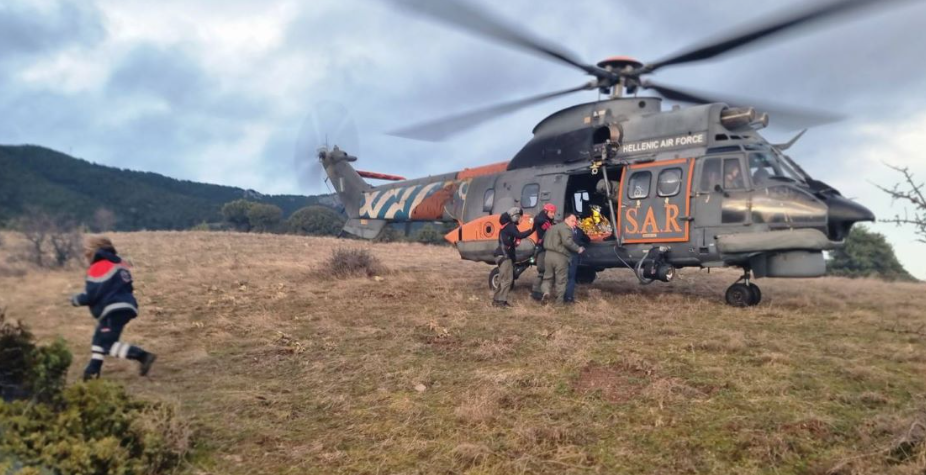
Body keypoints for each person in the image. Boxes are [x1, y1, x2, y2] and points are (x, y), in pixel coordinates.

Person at [71, 237, 156, 380]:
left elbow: (92, 295)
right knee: (100, 340)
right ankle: (92, 371)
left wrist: (76, 300)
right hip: (124, 306)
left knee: (106, 345)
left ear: (93, 251)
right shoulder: (119, 264)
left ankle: (143, 356)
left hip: (113, 309)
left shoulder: (99, 266)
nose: (85, 256)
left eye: (86, 253)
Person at [492, 207, 533, 308]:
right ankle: (501, 301)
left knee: (503, 279)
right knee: (508, 279)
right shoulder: (511, 226)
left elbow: (512, 239)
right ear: (514, 216)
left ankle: (496, 300)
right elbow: (520, 235)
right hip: (505, 256)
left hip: (501, 255)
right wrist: (532, 229)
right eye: (519, 217)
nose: (520, 219)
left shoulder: (506, 226)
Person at [540, 213, 585, 304]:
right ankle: (559, 302)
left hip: (548, 255)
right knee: (561, 280)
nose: (574, 223)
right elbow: (567, 242)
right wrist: (578, 249)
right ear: (566, 220)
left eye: (575, 221)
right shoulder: (566, 228)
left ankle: (546, 292)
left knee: (547, 278)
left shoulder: (552, 227)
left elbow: (543, 239)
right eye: (572, 221)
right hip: (560, 256)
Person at [530, 203, 557, 301]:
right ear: (546, 212)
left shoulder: (548, 220)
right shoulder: (541, 219)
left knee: (547, 272)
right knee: (542, 272)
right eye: (551, 212)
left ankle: (542, 291)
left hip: (546, 248)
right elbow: (537, 219)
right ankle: (536, 292)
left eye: (554, 212)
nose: (553, 214)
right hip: (542, 249)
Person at [564, 226, 591, 304]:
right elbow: (587, 240)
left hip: (562, 255)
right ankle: (568, 297)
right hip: (573, 255)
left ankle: (560, 297)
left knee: (562, 277)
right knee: (571, 277)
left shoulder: (561, 229)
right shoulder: (578, 231)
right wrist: (579, 247)